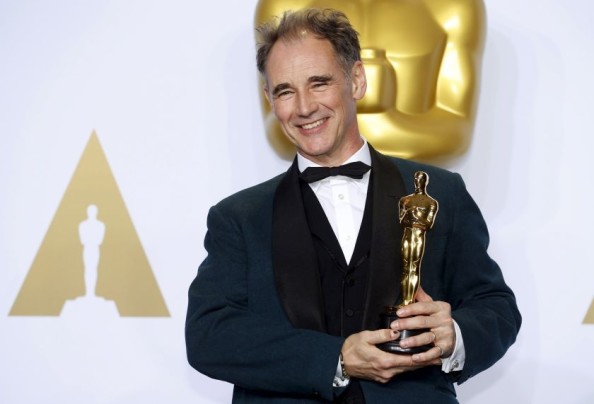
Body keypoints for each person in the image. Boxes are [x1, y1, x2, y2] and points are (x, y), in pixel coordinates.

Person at [185, 8, 520, 403]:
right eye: (285, 91)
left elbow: (496, 308)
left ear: (357, 79)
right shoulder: (238, 217)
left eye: (319, 83)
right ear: (269, 99)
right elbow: (208, 335)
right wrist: (335, 358)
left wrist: (455, 335)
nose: (304, 107)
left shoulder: (441, 192)